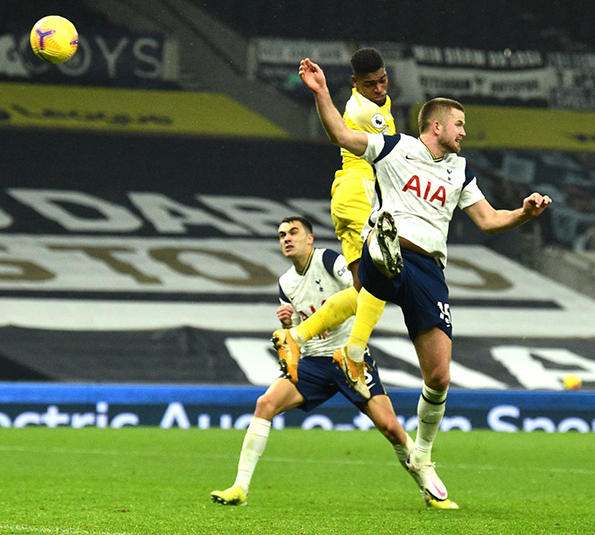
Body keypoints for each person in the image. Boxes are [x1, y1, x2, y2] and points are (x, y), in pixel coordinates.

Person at [298, 57, 552, 499]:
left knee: (439, 377)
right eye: (459, 124)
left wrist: (524, 215)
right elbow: (340, 134)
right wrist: (321, 91)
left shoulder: (461, 170)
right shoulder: (394, 147)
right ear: (435, 127)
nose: (464, 132)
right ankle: (381, 249)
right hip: (388, 255)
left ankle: (423, 456)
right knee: (378, 247)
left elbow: (489, 221)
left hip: (429, 270)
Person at [211, 216, 457, 509]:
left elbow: (361, 290)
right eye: (281, 235)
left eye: (293, 232)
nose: (286, 239)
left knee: (391, 428)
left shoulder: (329, 260)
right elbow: (298, 329)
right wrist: (293, 323)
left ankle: (430, 491)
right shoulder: (285, 283)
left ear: (310, 239)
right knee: (265, 404)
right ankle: (239, 488)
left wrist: (332, 316)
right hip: (314, 362)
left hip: (346, 358)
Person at [273, 48, 394, 393]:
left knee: (362, 289)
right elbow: (340, 135)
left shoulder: (376, 102)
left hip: (349, 193)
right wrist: (322, 93)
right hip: (361, 192)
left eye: (382, 80)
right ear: (356, 84)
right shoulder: (365, 109)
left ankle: (296, 338)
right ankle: (352, 354)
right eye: (370, 84)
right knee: (384, 279)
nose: (379, 88)